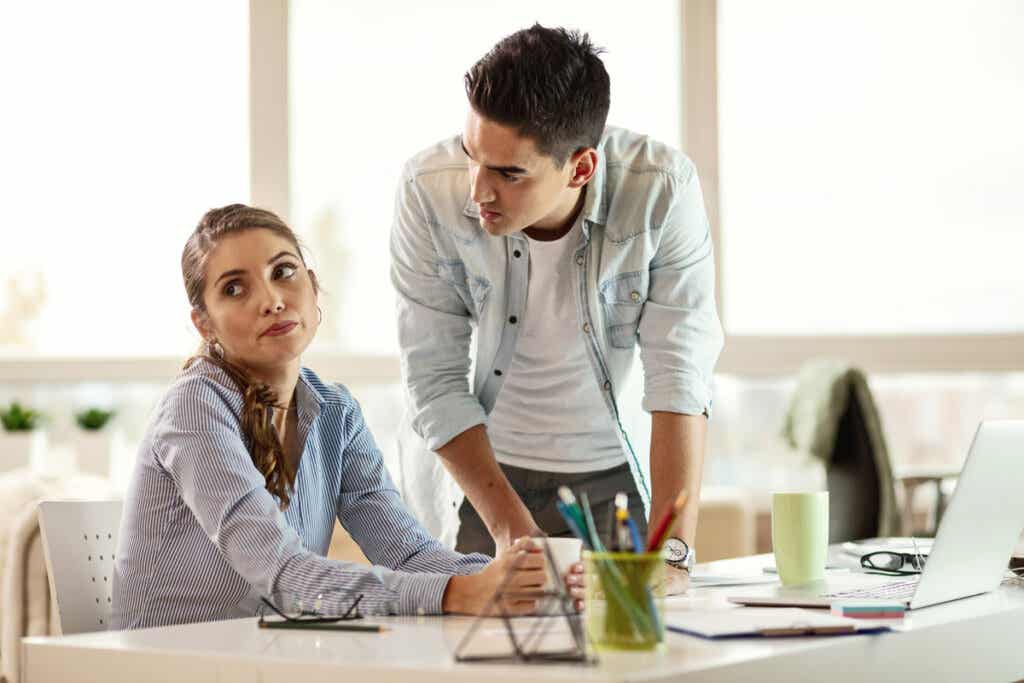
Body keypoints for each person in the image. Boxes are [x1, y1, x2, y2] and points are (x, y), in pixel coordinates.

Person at [112, 204, 578, 630]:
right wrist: (461, 592)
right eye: (235, 289)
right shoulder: (195, 407)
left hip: (267, 656)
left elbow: (410, 554)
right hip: (174, 662)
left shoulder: (334, 410)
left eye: (284, 271)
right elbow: (284, 575)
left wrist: (536, 580)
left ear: (313, 288)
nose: (272, 299)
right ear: (204, 323)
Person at [391, 25, 724, 593]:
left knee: (631, 652)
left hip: (610, 476)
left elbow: (680, 377)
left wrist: (671, 557)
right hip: (479, 479)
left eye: (509, 173)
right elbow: (434, 379)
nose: (478, 192)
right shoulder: (428, 188)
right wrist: (517, 536)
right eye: (473, 157)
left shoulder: (662, 188)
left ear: (581, 168)